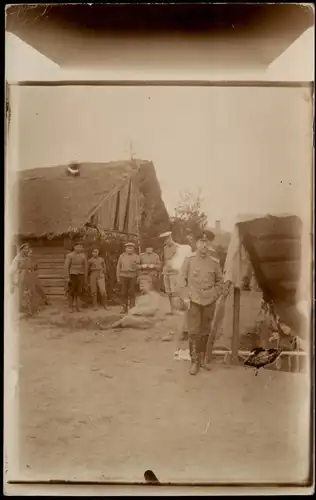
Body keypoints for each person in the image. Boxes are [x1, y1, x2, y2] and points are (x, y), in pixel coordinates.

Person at [179, 229, 225, 376]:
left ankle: (203, 359)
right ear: (196, 243)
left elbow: (219, 281)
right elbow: (181, 280)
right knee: (193, 331)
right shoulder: (189, 259)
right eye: (201, 242)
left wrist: (215, 294)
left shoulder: (214, 262)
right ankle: (194, 362)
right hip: (193, 300)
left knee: (206, 330)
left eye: (207, 242)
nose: (204, 245)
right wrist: (185, 297)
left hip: (209, 300)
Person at [9, 243, 48, 315]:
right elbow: (12, 270)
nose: (27, 250)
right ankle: (21, 308)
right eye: (25, 249)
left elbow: (35, 267)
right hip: (22, 276)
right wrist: (13, 278)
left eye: (27, 249)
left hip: (31, 275)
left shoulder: (29, 257)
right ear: (21, 250)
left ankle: (33, 309)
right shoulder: (18, 258)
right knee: (22, 292)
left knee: (32, 291)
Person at [159, 231, 180, 314]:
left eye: (166, 239)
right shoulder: (165, 248)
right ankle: (171, 309)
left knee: (174, 290)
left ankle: (176, 309)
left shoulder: (177, 247)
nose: (165, 241)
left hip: (174, 271)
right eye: (164, 240)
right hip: (166, 270)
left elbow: (179, 260)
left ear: (170, 238)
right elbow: (164, 259)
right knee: (168, 291)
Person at [116, 242, 140, 314]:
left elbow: (138, 268)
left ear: (133, 249)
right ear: (125, 249)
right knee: (123, 292)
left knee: (131, 292)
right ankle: (124, 308)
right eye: (128, 248)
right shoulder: (122, 256)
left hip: (133, 276)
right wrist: (118, 277)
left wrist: (138, 277)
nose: (129, 249)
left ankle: (132, 309)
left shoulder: (136, 256)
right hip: (123, 275)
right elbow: (118, 267)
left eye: (131, 248)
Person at [64, 241, 88, 312]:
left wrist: (85, 277)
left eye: (80, 247)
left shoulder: (83, 256)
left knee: (79, 291)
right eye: (77, 247)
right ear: (74, 247)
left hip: (80, 275)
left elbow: (86, 266)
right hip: (72, 275)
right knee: (71, 291)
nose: (79, 248)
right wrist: (67, 277)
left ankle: (78, 307)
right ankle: (70, 307)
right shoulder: (69, 255)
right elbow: (66, 266)